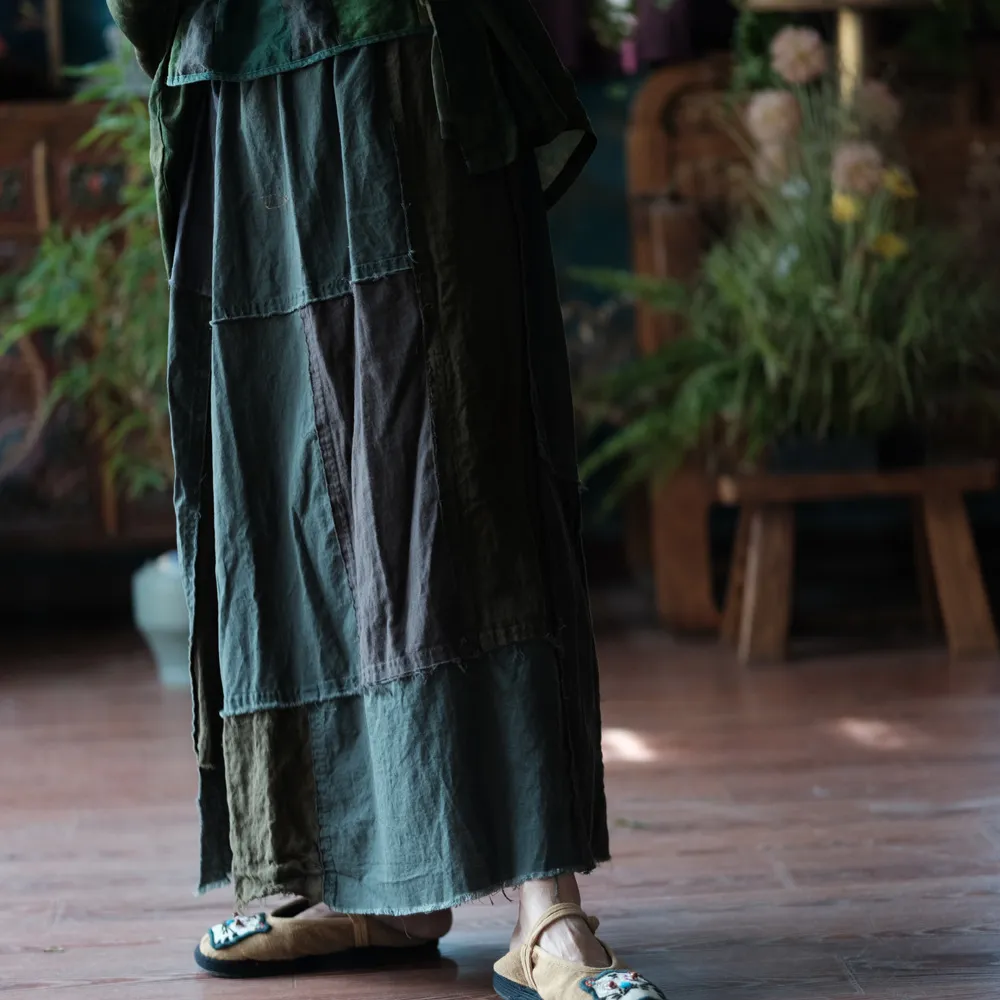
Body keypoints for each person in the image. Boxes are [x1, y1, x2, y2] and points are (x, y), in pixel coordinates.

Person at [106, 2, 667, 998]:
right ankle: (360, 879)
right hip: (242, 76)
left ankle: (547, 904)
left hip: (409, 54)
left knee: (464, 469)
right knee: (289, 481)